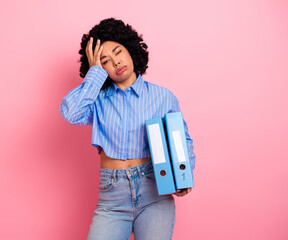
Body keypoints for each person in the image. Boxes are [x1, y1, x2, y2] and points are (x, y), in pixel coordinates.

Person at [59, 17, 196, 240]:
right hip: (112, 196)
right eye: (104, 60)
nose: (115, 62)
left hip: (155, 191)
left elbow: (182, 140)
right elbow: (71, 114)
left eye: (118, 51)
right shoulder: (96, 99)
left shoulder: (163, 97)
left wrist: (184, 176)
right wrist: (95, 75)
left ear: (131, 48)